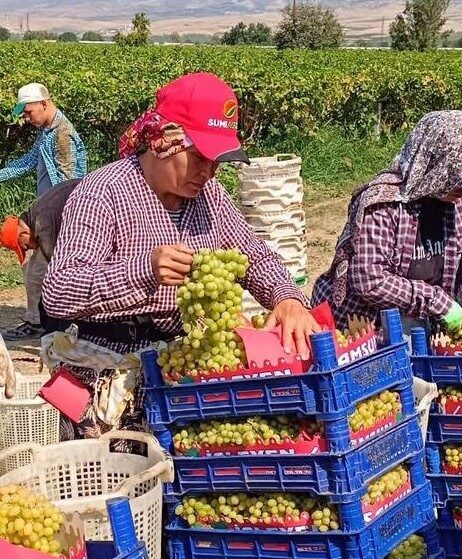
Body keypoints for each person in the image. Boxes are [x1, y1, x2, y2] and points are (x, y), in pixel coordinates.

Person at [41, 72, 319, 443]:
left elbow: (254, 255)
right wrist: (143, 270)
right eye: (199, 157)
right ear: (164, 142)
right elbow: (59, 292)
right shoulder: (103, 193)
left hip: (180, 374)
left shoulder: (211, 197)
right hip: (106, 384)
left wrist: (287, 298)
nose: (208, 171)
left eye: (217, 160)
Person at [311, 110, 462, 334]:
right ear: (437, 169)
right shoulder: (383, 206)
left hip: (420, 320)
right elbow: (369, 279)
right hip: (367, 326)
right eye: (459, 181)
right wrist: (435, 301)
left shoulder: (456, 203)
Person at [0, 83, 88, 340]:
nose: (27, 119)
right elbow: (27, 162)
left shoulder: (62, 135)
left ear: (44, 104)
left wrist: (56, 221)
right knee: (35, 270)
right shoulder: (47, 133)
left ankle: (42, 323)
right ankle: (44, 321)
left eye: (28, 112)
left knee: (39, 271)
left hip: (59, 218)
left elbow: (70, 182)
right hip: (46, 218)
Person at [0, 179, 80, 340]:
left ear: (23, 234)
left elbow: (58, 264)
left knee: (46, 275)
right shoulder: (37, 214)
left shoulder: (42, 223)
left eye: (23, 246)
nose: (27, 249)